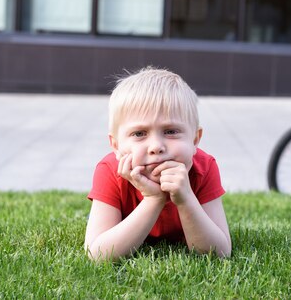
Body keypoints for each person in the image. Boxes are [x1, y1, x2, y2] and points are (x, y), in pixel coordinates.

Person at [84, 67, 231, 261]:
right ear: (116, 146)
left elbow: (219, 254)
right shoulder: (110, 170)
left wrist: (185, 198)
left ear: (195, 140)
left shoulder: (204, 167)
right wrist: (153, 199)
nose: (156, 147)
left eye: (170, 131)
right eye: (139, 134)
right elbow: (98, 255)